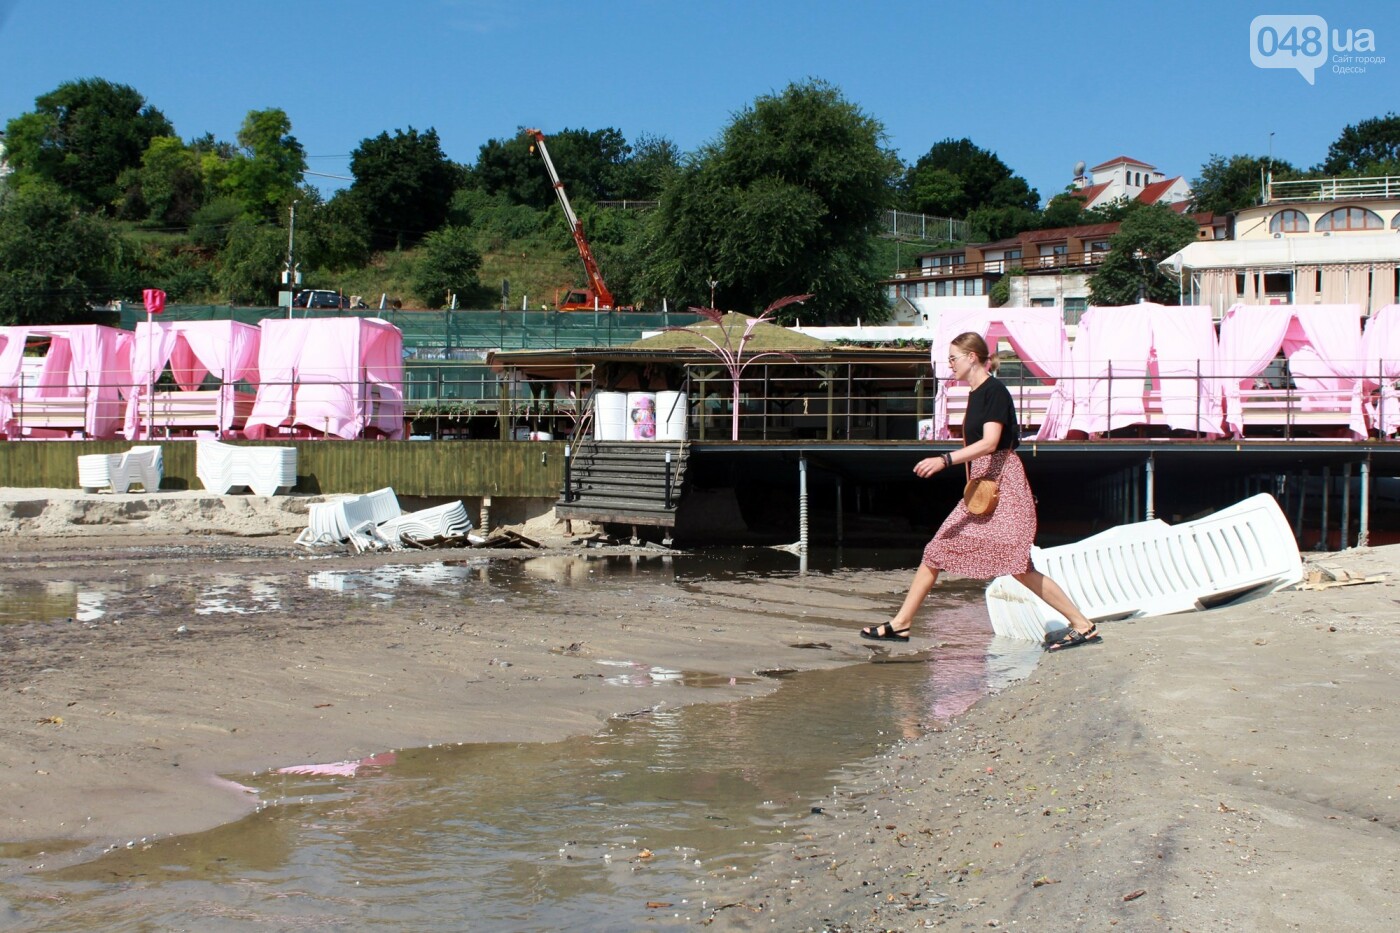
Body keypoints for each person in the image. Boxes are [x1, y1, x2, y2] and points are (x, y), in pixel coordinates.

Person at [860, 332, 1101, 652]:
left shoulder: (994, 392)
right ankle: (901, 624)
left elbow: (989, 443)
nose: (950, 365)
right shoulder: (976, 394)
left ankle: (1082, 625)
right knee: (936, 550)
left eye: (953, 358)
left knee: (1018, 565)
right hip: (984, 484)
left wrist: (943, 460)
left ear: (972, 357)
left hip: (1005, 483)